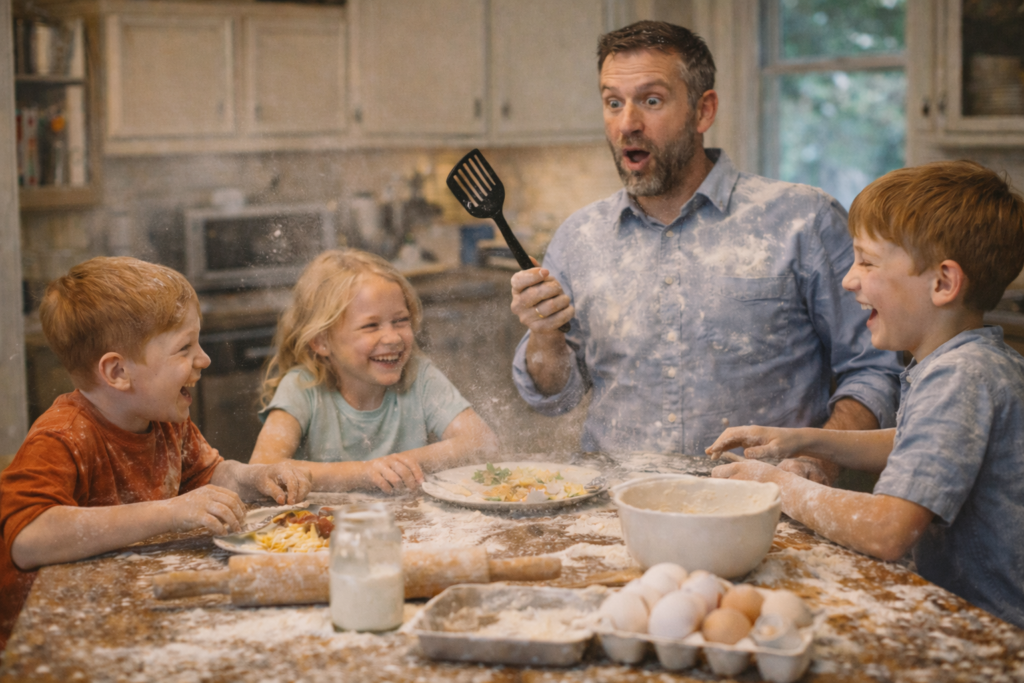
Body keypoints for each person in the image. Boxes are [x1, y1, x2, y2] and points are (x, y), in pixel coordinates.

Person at [510, 21, 902, 480]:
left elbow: (876, 370)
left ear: (703, 110)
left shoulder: (803, 220)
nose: (627, 123)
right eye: (613, 102)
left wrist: (814, 465)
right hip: (617, 510)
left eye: (651, 101)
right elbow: (555, 397)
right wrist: (545, 336)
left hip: (768, 507)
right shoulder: (579, 238)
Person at [707, 160, 1024, 628]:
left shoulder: (961, 376)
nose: (849, 279)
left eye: (867, 261)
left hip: (993, 634)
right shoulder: (962, 362)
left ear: (943, 283)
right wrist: (802, 438)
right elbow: (916, 444)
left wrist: (775, 484)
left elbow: (888, 531)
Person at [0, 257, 312, 651]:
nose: (205, 359)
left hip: (120, 612)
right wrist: (172, 511)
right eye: (185, 348)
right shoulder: (63, 436)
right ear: (117, 373)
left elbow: (207, 475)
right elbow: (28, 539)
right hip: (51, 637)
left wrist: (253, 477)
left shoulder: (164, 419)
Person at [249, 249, 498, 492]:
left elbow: (483, 443)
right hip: (325, 528)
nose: (391, 337)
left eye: (400, 320)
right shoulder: (302, 388)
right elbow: (262, 468)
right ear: (322, 341)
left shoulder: (419, 376)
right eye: (371, 326)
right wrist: (366, 472)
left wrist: (395, 465)